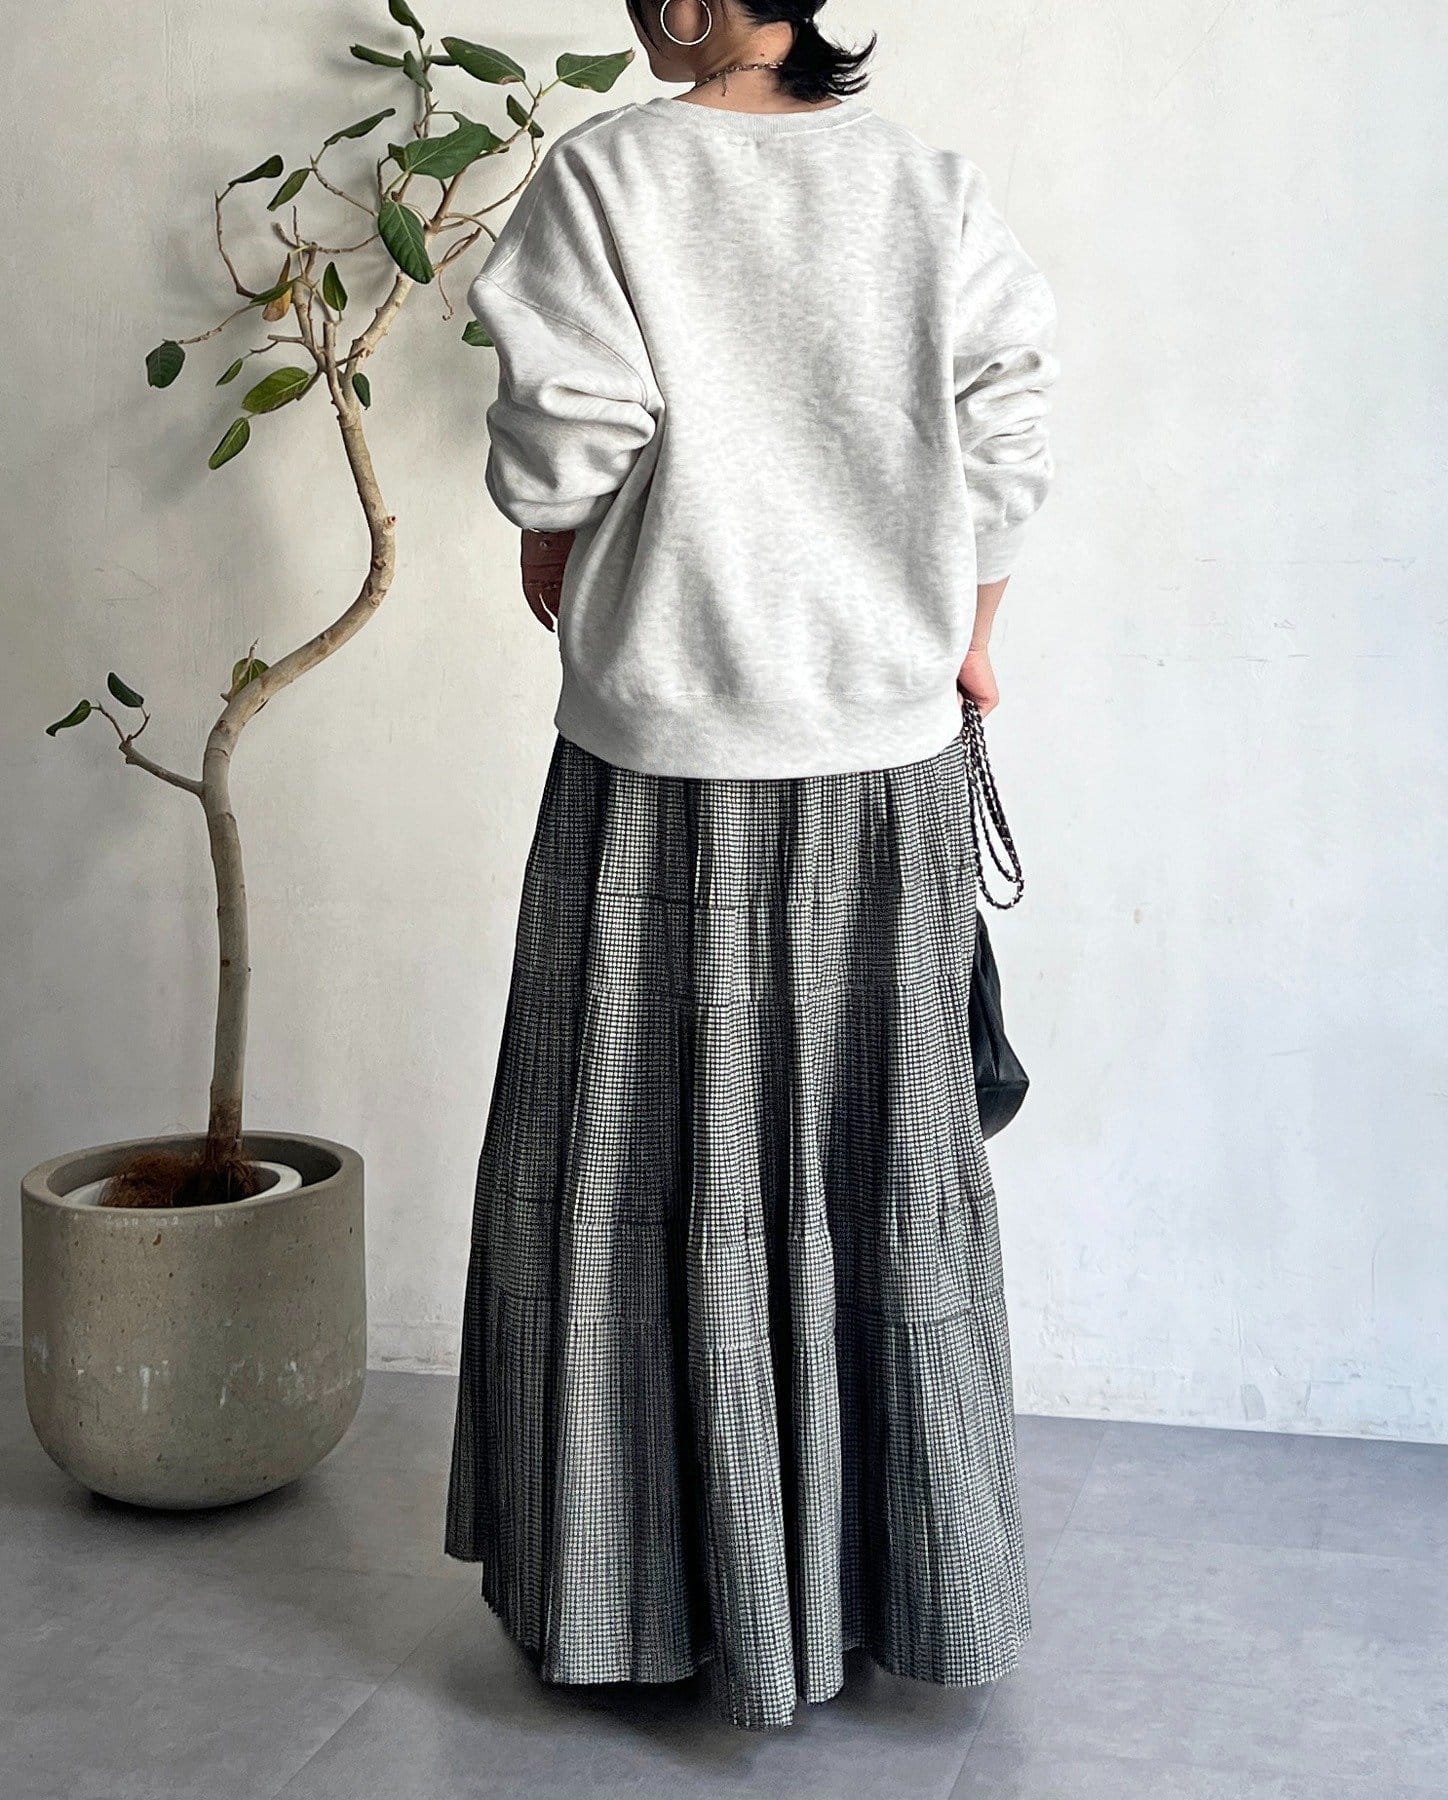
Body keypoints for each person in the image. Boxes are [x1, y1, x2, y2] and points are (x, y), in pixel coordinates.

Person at [445, 0, 1058, 1733]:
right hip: (885, 763)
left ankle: (637, 1597)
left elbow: (567, 440)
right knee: (883, 1164)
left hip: (666, 756)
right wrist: (969, 634)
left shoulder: (611, 177)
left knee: (629, 1157)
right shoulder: (927, 186)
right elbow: (1010, 435)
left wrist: (552, 547)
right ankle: (885, 1592)